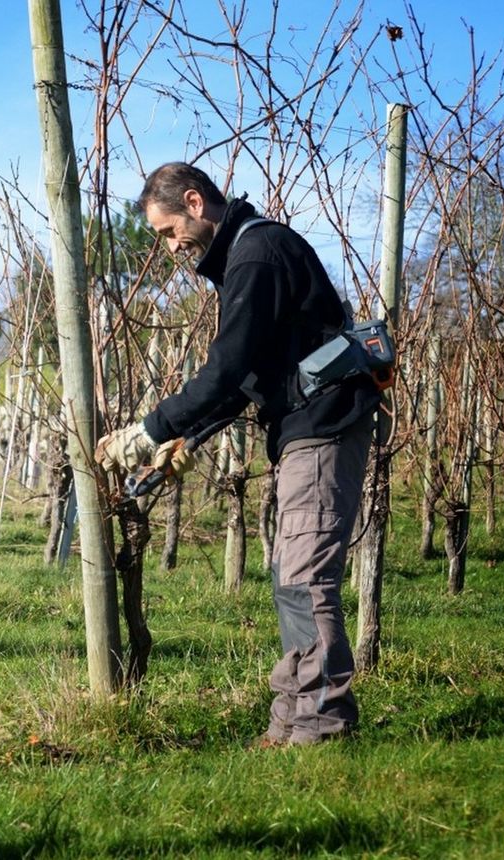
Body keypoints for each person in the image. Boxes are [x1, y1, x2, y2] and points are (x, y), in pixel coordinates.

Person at [96, 162, 380, 747]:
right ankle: (291, 722)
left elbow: (226, 369)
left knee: (305, 580)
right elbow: (253, 376)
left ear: (195, 203)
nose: (169, 246)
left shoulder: (258, 254)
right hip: (306, 428)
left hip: (321, 430)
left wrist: (149, 429)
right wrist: (189, 437)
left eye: (167, 231)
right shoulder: (247, 260)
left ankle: (322, 726)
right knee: (291, 579)